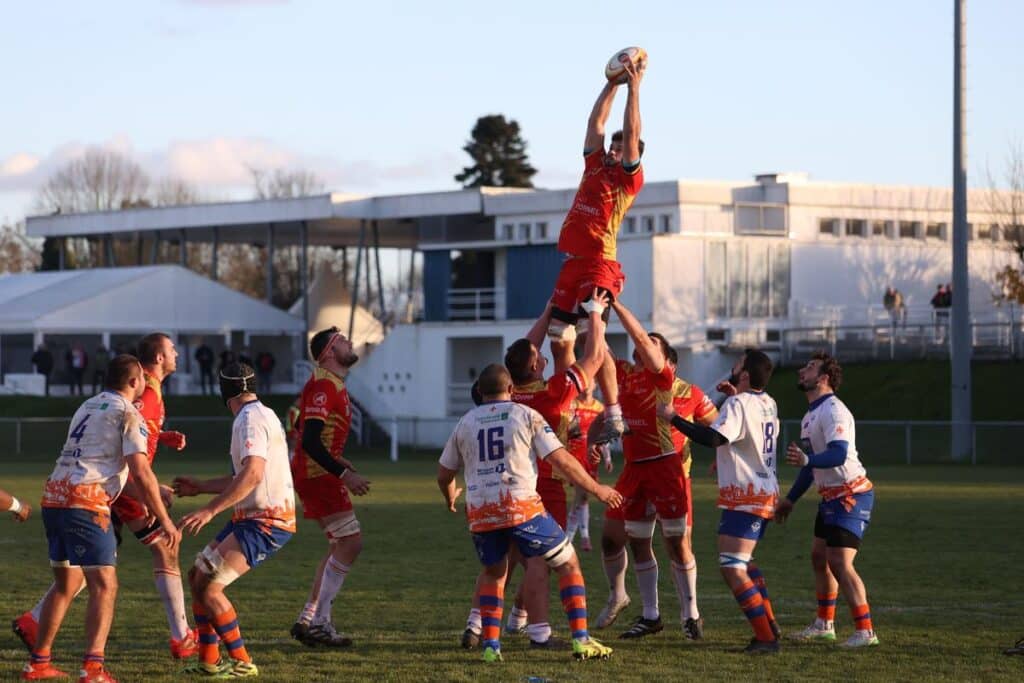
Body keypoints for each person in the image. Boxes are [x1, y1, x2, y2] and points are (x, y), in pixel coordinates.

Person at [13, 333, 196, 661]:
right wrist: (150, 497)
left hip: (66, 491)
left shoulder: (98, 400)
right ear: (155, 360)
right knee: (161, 549)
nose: (177, 354)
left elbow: (119, 428)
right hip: (108, 488)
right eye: (172, 349)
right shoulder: (143, 394)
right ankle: (179, 637)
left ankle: (35, 627)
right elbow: (131, 445)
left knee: (83, 569)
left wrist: (161, 436)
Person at [437, 363, 622, 663]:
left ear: (480, 391)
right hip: (521, 507)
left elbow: (444, 474)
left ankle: (491, 646)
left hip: (481, 512)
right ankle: (581, 640)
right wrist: (598, 489)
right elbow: (562, 460)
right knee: (568, 563)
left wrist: (449, 499)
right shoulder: (525, 415)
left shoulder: (465, 423)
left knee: (494, 573)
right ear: (511, 389)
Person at [490, 294, 609, 646]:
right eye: (539, 356)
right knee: (546, 561)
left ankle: (483, 624)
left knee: (504, 561)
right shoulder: (552, 395)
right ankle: (545, 633)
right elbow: (595, 358)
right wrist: (596, 314)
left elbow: (524, 351)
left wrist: (547, 313)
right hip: (544, 487)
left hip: (502, 487)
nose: (543, 354)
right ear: (536, 366)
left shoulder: (506, 393)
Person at [593, 299, 714, 641]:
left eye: (650, 344)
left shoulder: (666, 380)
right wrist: (594, 311)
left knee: (677, 544)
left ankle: (691, 615)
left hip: (667, 468)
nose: (641, 345)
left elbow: (716, 426)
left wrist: (617, 305)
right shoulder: (625, 376)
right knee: (637, 542)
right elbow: (598, 349)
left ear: (666, 360)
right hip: (635, 470)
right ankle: (650, 616)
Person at [172, 362, 297, 677]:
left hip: (267, 520)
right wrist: (201, 487)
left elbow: (252, 474)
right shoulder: (260, 414)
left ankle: (242, 661)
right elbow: (241, 477)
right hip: (251, 517)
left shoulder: (250, 419)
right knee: (197, 576)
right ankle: (209, 661)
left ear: (224, 389)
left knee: (210, 587)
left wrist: (209, 510)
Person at [547, 55, 647, 446]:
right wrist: (612, 84)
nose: (615, 149)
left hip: (599, 263)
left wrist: (634, 89)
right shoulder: (593, 165)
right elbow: (596, 124)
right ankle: (571, 410)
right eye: (614, 146)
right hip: (572, 265)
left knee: (593, 335)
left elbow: (631, 130)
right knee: (560, 340)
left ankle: (613, 413)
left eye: (622, 148)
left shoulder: (627, 181)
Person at [664, 349, 781, 654]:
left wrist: (673, 418)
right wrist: (734, 397)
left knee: (732, 568)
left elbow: (713, 438)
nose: (733, 366)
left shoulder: (738, 404)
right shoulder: (768, 402)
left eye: (738, 363)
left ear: (745, 374)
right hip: (763, 491)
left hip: (747, 495)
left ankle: (766, 638)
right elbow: (745, 435)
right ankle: (769, 627)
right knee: (744, 562)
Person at [774, 352, 878, 648]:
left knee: (839, 562)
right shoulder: (811, 415)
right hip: (831, 497)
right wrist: (790, 500)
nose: (801, 370)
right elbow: (812, 467)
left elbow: (838, 454)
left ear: (823, 378)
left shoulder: (834, 410)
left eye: (810, 367)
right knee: (819, 557)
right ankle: (824, 625)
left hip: (850, 495)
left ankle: (866, 632)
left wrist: (808, 459)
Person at [289, 327, 371, 647]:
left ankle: (309, 617)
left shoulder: (329, 382)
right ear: (329, 352)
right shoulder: (325, 384)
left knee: (340, 544)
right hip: (318, 475)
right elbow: (309, 439)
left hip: (315, 472)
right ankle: (320, 623)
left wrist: (336, 457)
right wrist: (343, 473)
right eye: (343, 341)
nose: (350, 342)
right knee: (351, 543)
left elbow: (302, 427)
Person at [564, 387, 610, 551]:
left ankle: (573, 538)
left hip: (590, 457)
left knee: (582, 498)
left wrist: (607, 457)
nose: (586, 386)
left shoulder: (599, 408)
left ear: (595, 384)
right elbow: (566, 429)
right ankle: (580, 537)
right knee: (581, 495)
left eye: (589, 382)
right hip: (574, 456)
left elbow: (602, 436)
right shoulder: (573, 405)